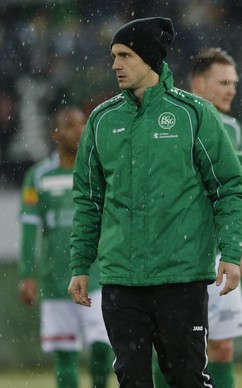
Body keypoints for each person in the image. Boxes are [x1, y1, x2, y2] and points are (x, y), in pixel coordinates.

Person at [67, 17, 242, 387]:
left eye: (124, 56)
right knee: (132, 381)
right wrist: (80, 264)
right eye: (113, 56)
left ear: (149, 58)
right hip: (120, 282)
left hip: (182, 279)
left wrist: (231, 253)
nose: (115, 64)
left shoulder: (194, 114)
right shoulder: (101, 121)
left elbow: (229, 187)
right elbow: (88, 201)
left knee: (187, 379)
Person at [151, 47, 242, 388]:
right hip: (176, 250)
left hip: (216, 251)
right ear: (198, 83)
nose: (231, 89)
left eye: (234, 82)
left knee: (221, 347)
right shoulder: (175, 119)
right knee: (169, 346)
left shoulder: (232, 127)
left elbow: (228, 178)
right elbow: (233, 160)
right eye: (223, 81)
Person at [18, 106, 113, 388]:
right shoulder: (38, 177)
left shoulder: (99, 171)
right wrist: (26, 274)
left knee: (101, 347)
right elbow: (30, 227)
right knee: (65, 354)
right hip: (56, 279)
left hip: (97, 277)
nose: (80, 130)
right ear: (56, 133)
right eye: (71, 125)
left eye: (83, 124)